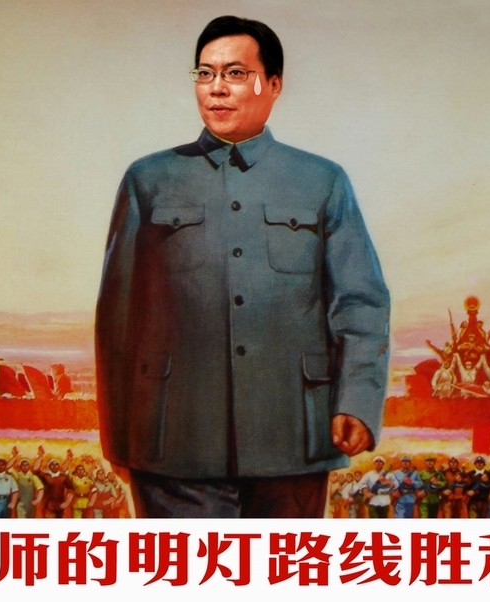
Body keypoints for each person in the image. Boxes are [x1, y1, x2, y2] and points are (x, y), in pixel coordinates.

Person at [95, 15, 390, 519]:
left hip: (293, 438)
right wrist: (119, 439)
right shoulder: (148, 178)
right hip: (174, 444)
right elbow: (118, 318)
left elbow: (360, 302)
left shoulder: (322, 180)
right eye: (205, 74)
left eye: (235, 73)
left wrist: (357, 402)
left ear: (273, 84)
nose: (217, 88)